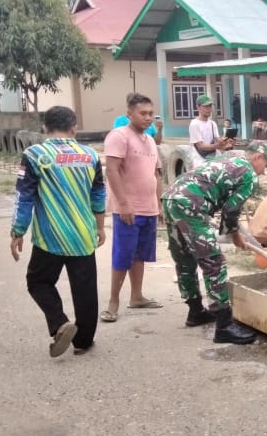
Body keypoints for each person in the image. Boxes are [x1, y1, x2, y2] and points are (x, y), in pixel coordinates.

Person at [10, 106, 106, 357]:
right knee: (85, 289)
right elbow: (98, 193)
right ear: (74, 127)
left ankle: (60, 322)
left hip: (49, 236)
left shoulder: (34, 155)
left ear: (44, 128)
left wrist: (18, 230)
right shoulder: (90, 155)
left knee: (38, 281)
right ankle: (84, 341)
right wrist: (100, 225)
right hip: (82, 235)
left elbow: (24, 197)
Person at [162, 140, 267, 343]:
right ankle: (224, 325)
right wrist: (234, 235)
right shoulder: (249, 173)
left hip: (172, 197)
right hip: (192, 204)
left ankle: (195, 311)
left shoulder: (229, 157)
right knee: (213, 262)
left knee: (185, 259)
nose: (263, 171)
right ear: (258, 157)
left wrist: (232, 232)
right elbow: (231, 210)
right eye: (266, 165)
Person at [101, 94, 164, 323]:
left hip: (148, 208)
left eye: (150, 113)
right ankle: (113, 301)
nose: (148, 118)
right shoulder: (119, 136)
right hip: (128, 209)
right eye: (143, 113)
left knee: (140, 254)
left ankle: (136, 296)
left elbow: (156, 174)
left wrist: (159, 204)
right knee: (123, 254)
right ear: (130, 114)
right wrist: (123, 203)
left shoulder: (149, 141)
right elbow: (112, 171)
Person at [187, 94, 224, 168]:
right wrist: (217, 145)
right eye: (206, 106)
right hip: (199, 162)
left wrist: (225, 141)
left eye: (210, 106)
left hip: (212, 160)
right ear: (198, 107)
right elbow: (201, 146)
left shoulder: (212, 123)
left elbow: (217, 139)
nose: (209, 109)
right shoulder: (194, 124)